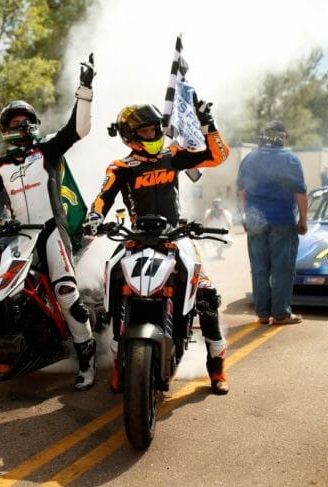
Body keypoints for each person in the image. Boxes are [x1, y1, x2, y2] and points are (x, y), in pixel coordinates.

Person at [0, 53, 97, 391]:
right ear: (5, 130)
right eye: (14, 123)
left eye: (25, 122)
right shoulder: (2, 166)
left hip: (51, 231)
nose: (21, 127)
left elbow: (78, 129)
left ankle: (86, 358)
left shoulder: (46, 150)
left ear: (33, 125)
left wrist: (85, 89)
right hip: (20, 235)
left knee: (66, 290)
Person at [84, 101, 231, 395]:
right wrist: (94, 218)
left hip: (175, 235)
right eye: (145, 131)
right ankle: (118, 366)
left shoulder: (172, 155)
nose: (152, 134)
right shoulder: (120, 167)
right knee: (113, 281)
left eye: (154, 129)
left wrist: (208, 123)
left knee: (206, 295)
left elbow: (218, 155)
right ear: (130, 135)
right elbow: (102, 199)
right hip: (135, 236)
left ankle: (217, 370)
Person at [236, 120, 307, 325]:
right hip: (282, 220)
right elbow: (300, 193)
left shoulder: (249, 158)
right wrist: (303, 220)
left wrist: (246, 215)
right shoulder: (290, 159)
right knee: (282, 268)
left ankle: (262, 314)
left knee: (259, 268)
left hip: (255, 221)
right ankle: (281, 314)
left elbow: (242, 191)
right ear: (282, 137)